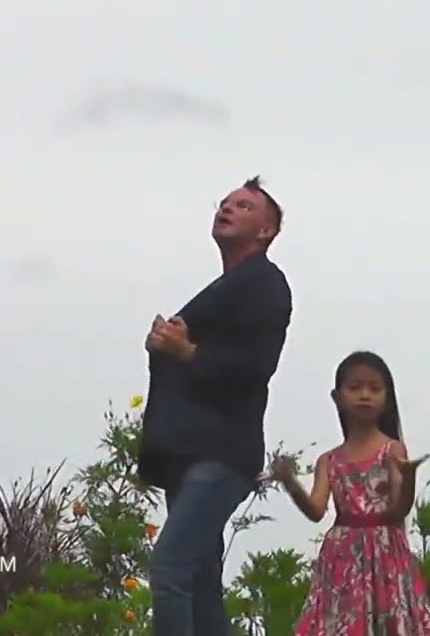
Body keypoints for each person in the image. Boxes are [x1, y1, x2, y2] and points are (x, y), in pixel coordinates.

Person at [137, 176, 292, 636]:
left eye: (243, 206)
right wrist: (163, 346)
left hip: (222, 453)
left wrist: (184, 350)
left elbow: (256, 367)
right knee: (201, 583)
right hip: (187, 453)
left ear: (266, 230)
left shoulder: (264, 283)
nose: (226, 209)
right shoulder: (226, 289)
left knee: (169, 568)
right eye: (224, 203)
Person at [271, 351, 430, 636]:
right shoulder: (329, 460)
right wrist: (290, 481)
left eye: (374, 389)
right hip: (343, 558)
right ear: (337, 397)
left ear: (386, 398)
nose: (365, 395)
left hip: (386, 552)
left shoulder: (392, 450)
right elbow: (315, 510)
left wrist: (409, 477)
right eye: (355, 387)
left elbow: (399, 509)